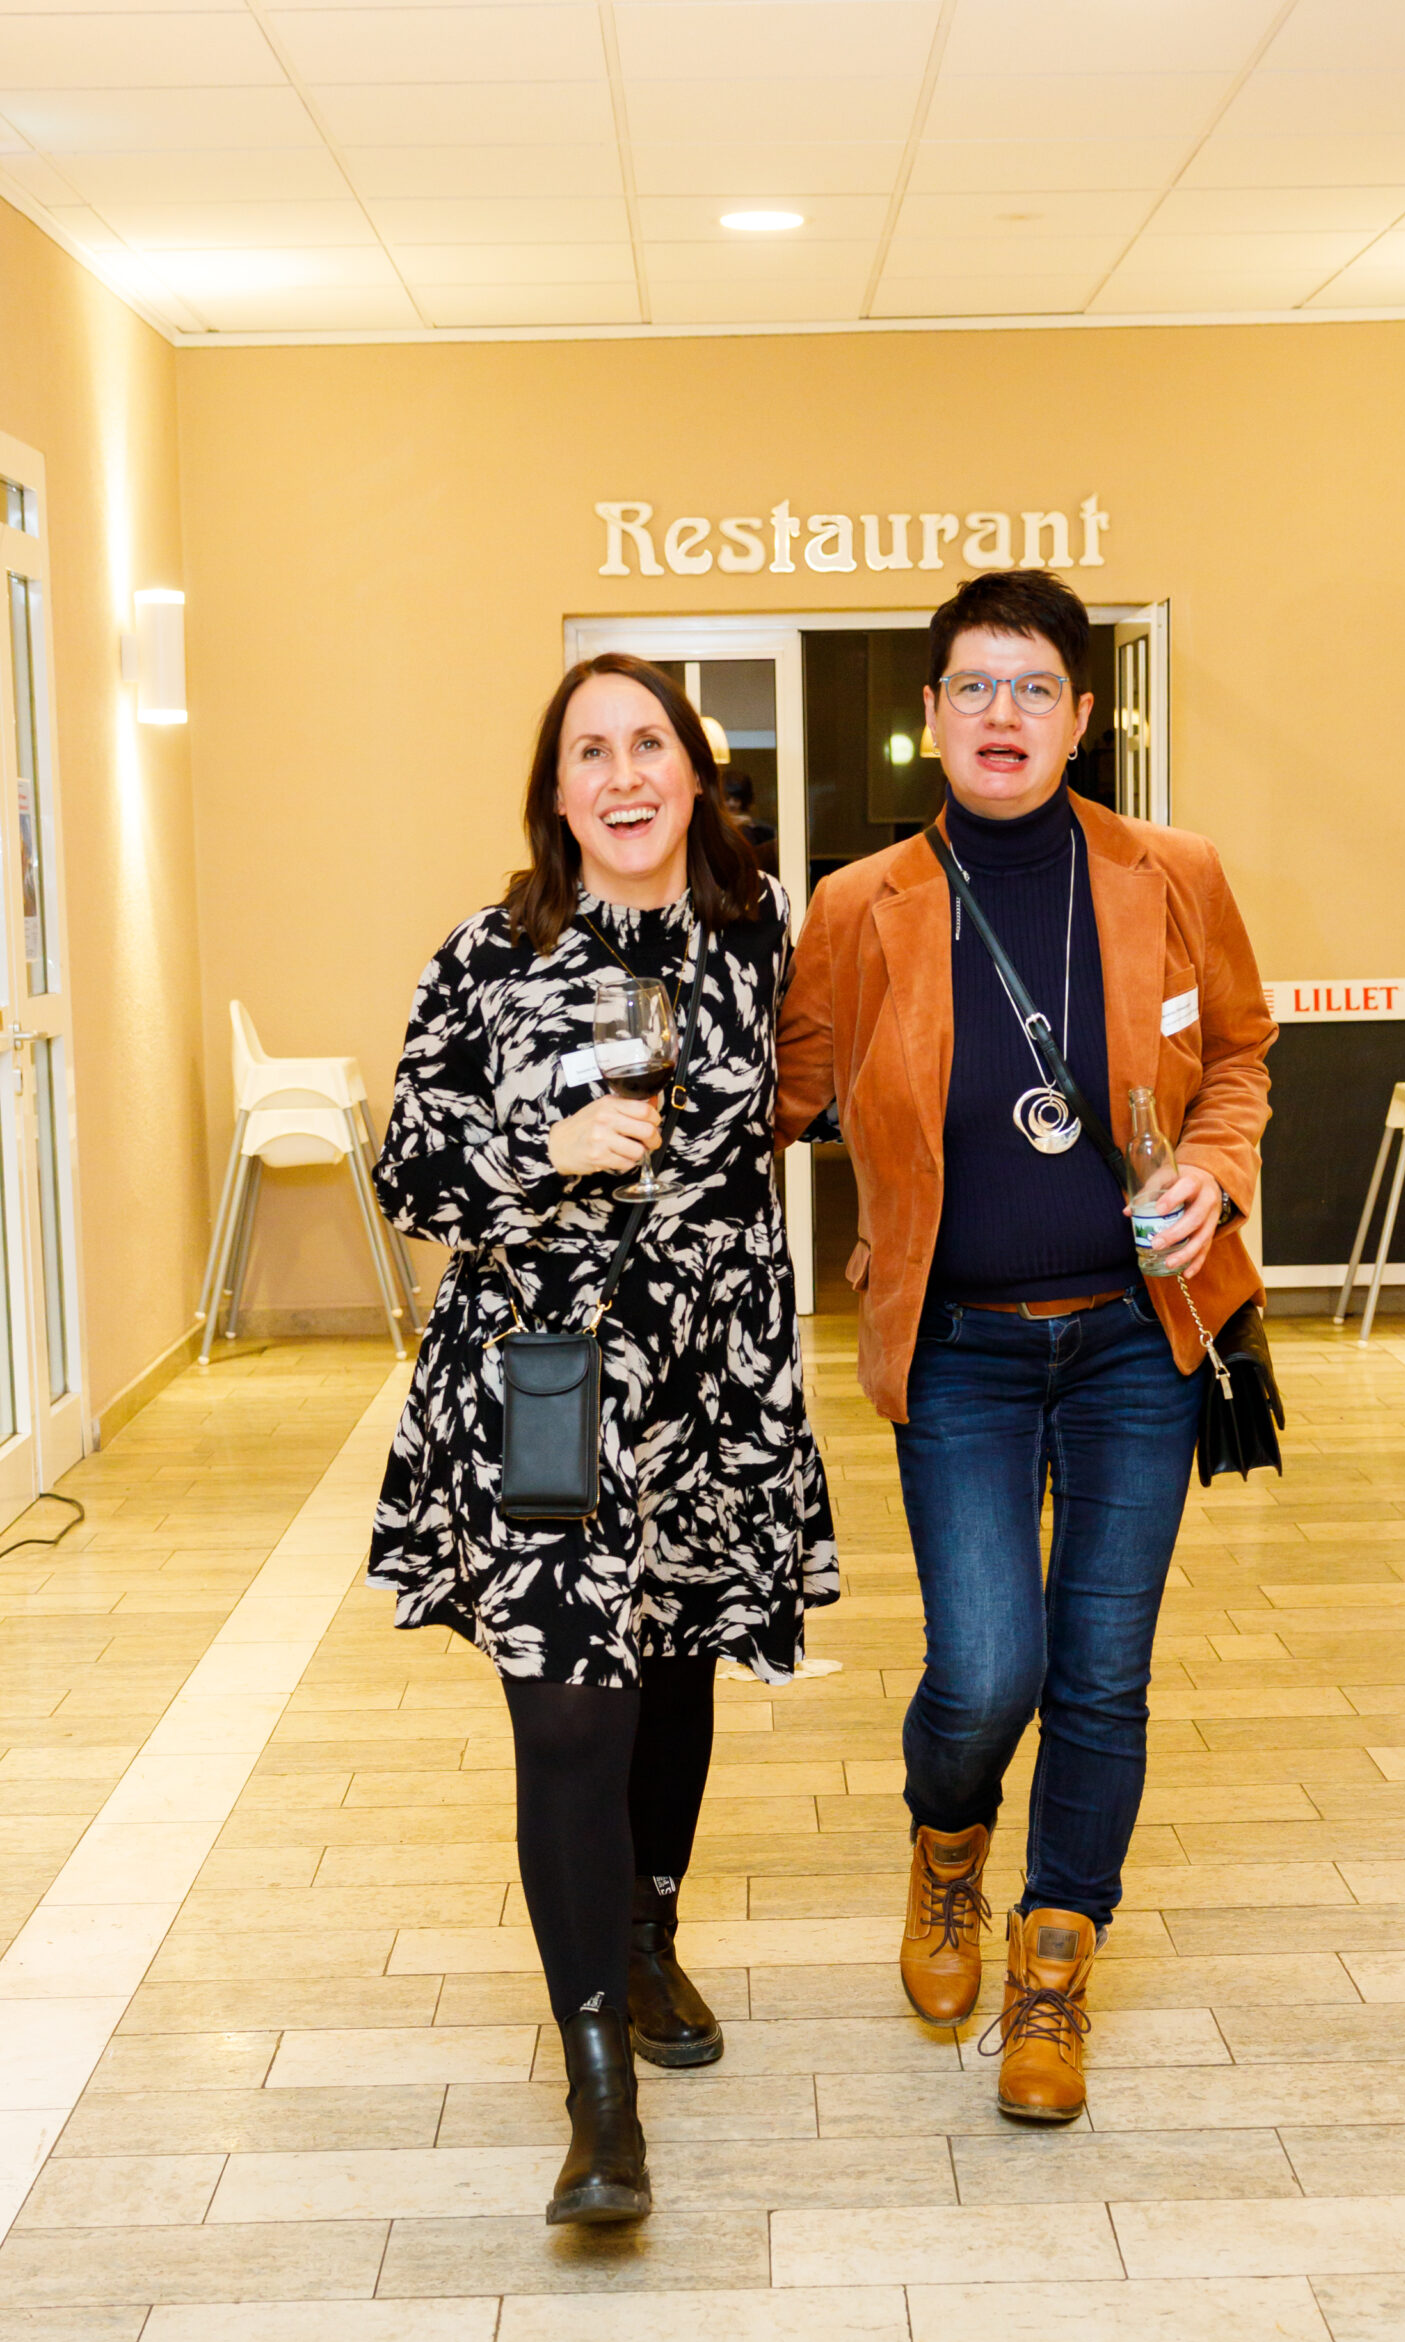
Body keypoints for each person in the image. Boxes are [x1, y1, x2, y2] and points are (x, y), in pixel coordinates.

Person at [777, 569, 1271, 2126]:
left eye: (1034, 688)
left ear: (1079, 716)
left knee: (1102, 1672)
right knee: (987, 1668)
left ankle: (1052, 1960)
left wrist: (1216, 1169)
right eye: (974, 687)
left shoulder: (1170, 873)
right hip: (959, 1348)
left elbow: (1238, 1051)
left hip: (1137, 1336)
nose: (1003, 714)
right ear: (930, 717)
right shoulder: (858, 907)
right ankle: (946, 1847)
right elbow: (778, 1092)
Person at [370, 653, 838, 2223]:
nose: (624, 774)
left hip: (709, 1368)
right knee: (570, 1710)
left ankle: (646, 1933)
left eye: (650, 745)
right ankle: (596, 2100)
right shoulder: (488, 954)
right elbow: (408, 1167)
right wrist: (542, 1143)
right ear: (556, 792)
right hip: (546, 1374)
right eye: (591, 751)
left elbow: (836, 1088)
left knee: (677, 1660)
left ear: (694, 775)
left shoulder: (761, 934)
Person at [722, 766, 778, 871]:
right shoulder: (714, 827)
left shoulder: (754, 830)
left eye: (737, 799)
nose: (732, 804)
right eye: (727, 798)